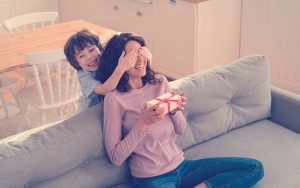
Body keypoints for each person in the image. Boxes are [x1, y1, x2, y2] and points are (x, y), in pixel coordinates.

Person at [97, 33, 264, 188]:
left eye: (141, 52)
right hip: (151, 178)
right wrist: (143, 123)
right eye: (132, 55)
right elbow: (115, 157)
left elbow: (181, 129)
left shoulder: (159, 82)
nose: (140, 59)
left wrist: (174, 109)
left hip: (183, 167)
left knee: (254, 167)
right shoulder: (115, 99)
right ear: (118, 62)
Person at [64, 29, 152, 112]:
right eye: (81, 56)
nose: (89, 57)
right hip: (92, 111)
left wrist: (148, 58)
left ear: (100, 48)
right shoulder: (84, 76)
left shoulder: (106, 58)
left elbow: (119, 39)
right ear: (76, 63)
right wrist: (121, 68)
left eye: (91, 50)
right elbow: (104, 90)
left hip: (113, 105)